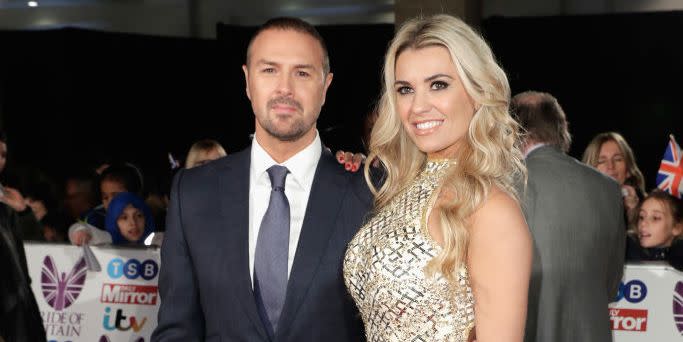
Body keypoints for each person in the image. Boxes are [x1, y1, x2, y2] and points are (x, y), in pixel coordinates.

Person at [152, 17, 372, 342]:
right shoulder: (194, 194)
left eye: (302, 72)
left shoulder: (367, 192)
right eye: (269, 70)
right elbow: (177, 329)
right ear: (247, 81)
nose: (285, 88)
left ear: (325, 87)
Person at [344, 14, 531, 341]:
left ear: (476, 92)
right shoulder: (401, 190)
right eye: (405, 90)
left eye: (438, 85)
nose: (418, 106)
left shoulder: (491, 210)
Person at [511, 91, 625, 342]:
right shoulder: (608, 188)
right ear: (560, 129)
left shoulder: (503, 185)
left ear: (514, 131)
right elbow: (612, 283)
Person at [582, 132, 646, 222]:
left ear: (628, 169)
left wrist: (634, 215)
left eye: (617, 159)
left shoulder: (649, 207)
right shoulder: (579, 204)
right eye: (601, 161)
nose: (610, 166)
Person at [68, 192, 155, 246]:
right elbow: (78, 228)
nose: (133, 223)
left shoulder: (155, 241)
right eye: (124, 218)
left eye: (139, 216)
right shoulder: (107, 241)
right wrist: (81, 232)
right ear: (114, 222)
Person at [627, 190, 683, 266]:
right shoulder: (626, 248)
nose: (643, 223)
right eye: (641, 217)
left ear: (677, 228)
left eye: (655, 218)